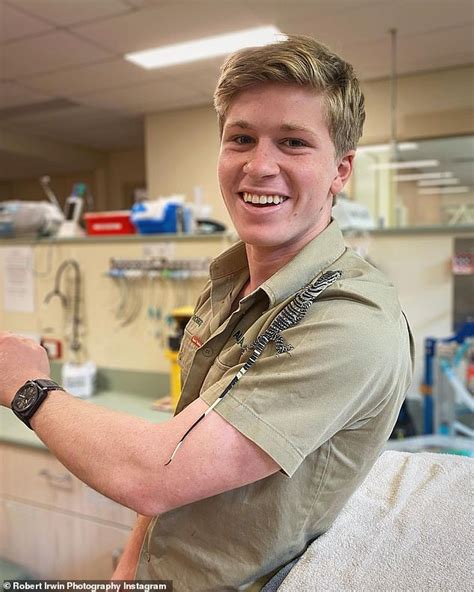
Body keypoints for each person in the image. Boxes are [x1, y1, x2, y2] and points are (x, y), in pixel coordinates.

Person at [0, 36, 413, 590]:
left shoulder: (352, 318)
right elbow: (177, 446)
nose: (259, 166)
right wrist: (129, 570)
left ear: (341, 170)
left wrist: (28, 388)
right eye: (241, 138)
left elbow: (153, 473)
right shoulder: (230, 283)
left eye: (293, 142)